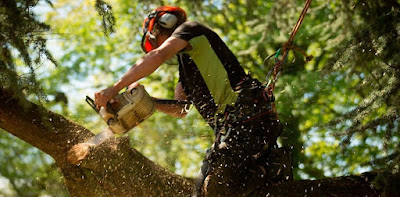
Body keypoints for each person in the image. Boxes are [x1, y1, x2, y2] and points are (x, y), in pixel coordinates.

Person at [94, 6, 285, 196]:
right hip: (231, 133)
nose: (158, 46)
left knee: (217, 188)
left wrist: (114, 88)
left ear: (165, 24)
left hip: (248, 120)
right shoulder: (186, 67)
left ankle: (265, 170)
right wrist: (149, 101)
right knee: (200, 193)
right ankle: (262, 171)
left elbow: (157, 56)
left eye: (156, 40)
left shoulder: (192, 30)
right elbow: (182, 109)